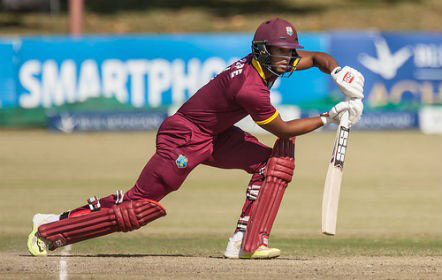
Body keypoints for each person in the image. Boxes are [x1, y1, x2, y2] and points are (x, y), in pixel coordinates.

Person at [27, 18, 364, 259]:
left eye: (291, 51)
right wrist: (329, 117)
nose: (288, 59)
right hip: (184, 138)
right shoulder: (249, 86)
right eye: (281, 52)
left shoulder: (270, 64)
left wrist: (339, 73)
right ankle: (54, 228)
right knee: (139, 205)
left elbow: (319, 58)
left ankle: (245, 239)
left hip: (215, 135)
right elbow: (284, 129)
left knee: (270, 164)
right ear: (261, 51)